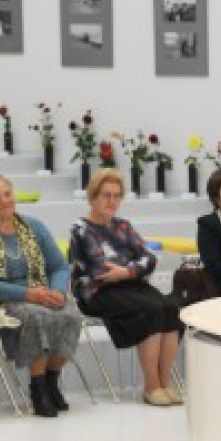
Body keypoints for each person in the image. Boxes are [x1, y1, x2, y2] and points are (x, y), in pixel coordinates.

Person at [0, 173, 83, 417]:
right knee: (36, 316)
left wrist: (58, 291)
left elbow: (59, 266)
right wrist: (27, 294)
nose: (4, 201)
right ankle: (38, 388)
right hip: (0, 299)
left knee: (71, 315)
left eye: (7, 194)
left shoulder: (35, 226)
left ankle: (51, 380)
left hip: (42, 292)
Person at [69, 168, 185, 407]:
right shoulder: (81, 229)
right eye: (106, 195)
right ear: (93, 197)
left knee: (172, 308)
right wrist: (134, 269)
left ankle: (165, 383)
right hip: (97, 292)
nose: (112, 201)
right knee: (152, 309)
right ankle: (151, 386)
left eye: (116, 196)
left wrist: (125, 271)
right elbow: (100, 269)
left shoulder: (123, 226)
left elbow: (149, 258)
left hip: (130, 285)